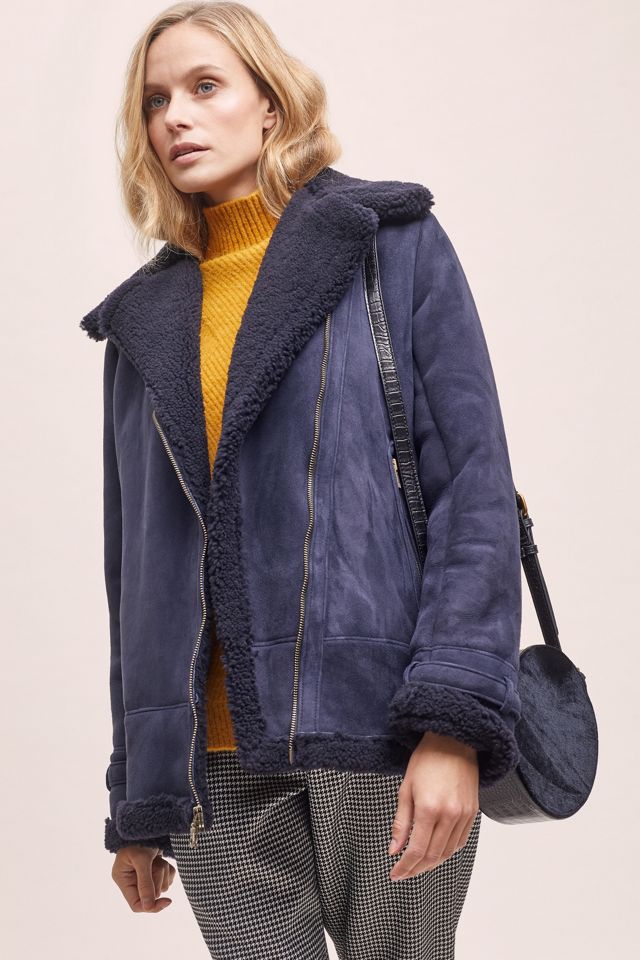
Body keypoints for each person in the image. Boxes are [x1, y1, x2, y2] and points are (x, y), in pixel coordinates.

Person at [80, 2, 522, 957]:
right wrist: (137, 795)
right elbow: (136, 577)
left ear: (272, 105)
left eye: (205, 86)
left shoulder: (387, 243)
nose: (175, 116)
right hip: (212, 769)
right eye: (155, 100)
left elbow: (475, 495)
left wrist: (453, 723)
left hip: (380, 727)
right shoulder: (138, 324)